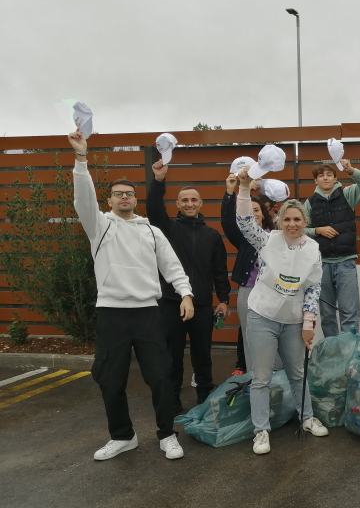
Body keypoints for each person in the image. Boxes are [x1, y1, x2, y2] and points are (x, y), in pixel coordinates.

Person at [69, 131, 193, 461]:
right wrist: (81, 159)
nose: (124, 197)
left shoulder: (150, 230)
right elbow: (82, 199)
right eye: (118, 194)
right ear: (108, 201)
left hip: (148, 314)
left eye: (129, 194)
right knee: (110, 380)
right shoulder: (100, 227)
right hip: (112, 314)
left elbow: (172, 266)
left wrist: (186, 294)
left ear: (135, 199)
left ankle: (167, 434)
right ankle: (123, 436)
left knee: (162, 377)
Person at [236, 168, 326, 455]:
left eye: (297, 219)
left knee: (298, 373)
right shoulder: (267, 240)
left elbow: (312, 288)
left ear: (305, 221)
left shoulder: (313, 248)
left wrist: (309, 323)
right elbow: (243, 221)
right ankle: (261, 430)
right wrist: (244, 187)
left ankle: (307, 417)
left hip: (293, 319)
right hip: (262, 316)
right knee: (260, 377)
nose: (291, 224)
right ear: (279, 220)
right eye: (286, 219)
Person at [148, 161, 230, 408]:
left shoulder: (212, 236)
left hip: (203, 305)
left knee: (203, 356)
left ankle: (205, 399)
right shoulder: (167, 229)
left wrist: (224, 300)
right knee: (172, 356)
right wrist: (158, 181)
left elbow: (219, 271)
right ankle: (172, 402)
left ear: (201, 204)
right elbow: (153, 209)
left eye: (194, 200)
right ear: (178, 205)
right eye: (184, 200)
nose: (190, 204)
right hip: (171, 304)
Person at [304, 159, 360, 337]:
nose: (325, 178)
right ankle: (333, 355)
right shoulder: (309, 203)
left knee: (349, 313)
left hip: (346, 263)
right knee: (327, 315)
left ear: (335, 178)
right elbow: (300, 229)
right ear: (315, 181)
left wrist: (350, 170)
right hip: (321, 264)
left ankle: (349, 357)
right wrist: (317, 230)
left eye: (329, 175)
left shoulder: (348, 194)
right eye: (321, 175)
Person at [221, 174, 275, 374]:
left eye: (257, 210)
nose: (253, 214)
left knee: (272, 333)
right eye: (249, 211)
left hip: (272, 293)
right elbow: (227, 222)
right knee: (248, 332)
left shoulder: (276, 236)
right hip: (248, 290)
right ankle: (252, 373)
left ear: (264, 214)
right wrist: (229, 193)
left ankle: (274, 374)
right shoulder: (244, 238)